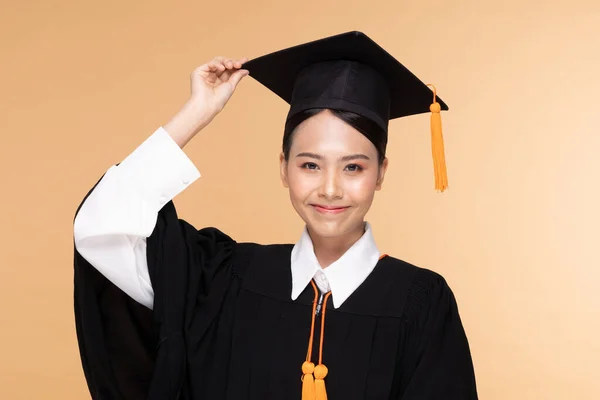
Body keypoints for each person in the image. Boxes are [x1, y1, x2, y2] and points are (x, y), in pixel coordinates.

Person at [72, 31, 478, 400]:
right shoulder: (223, 280)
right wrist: (198, 112)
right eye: (310, 165)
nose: (331, 188)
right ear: (283, 167)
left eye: (353, 167)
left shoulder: (420, 301)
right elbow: (101, 228)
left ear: (381, 173)